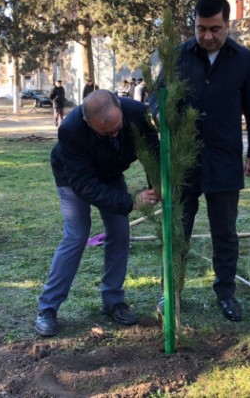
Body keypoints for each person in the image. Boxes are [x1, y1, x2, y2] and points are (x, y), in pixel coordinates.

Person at [149, 0, 250, 322]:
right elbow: (156, 97)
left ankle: (225, 292)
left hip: (225, 159)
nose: (207, 36)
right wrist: (162, 114)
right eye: (201, 28)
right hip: (185, 160)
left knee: (225, 232)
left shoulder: (243, 59)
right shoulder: (178, 56)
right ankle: (172, 292)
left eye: (215, 29)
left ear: (228, 24)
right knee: (179, 230)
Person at [35, 90, 161, 337]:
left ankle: (112, 300)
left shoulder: (137, 113)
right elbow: (84, 185)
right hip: (73, 178)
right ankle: (47, 309)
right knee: (76, 236)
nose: (114, 134)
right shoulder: (70, 130)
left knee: (120, 233)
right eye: (106, 133)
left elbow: (152, 151)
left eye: (117, 128)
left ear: (121, 110)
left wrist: (155, 184)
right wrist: (131, 202)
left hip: (111, 173)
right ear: (87, 122)